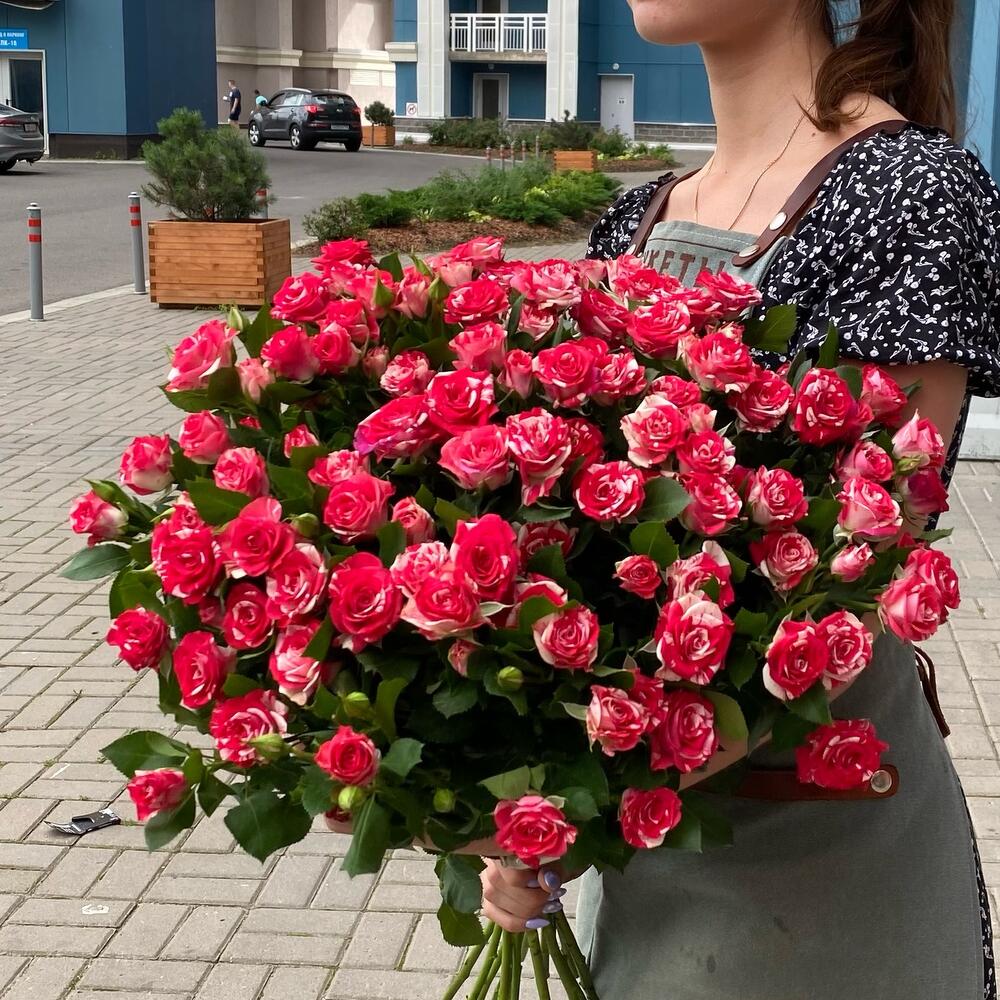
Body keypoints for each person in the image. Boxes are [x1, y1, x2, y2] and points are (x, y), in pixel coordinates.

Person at [480, 1, 1000, 998]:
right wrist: (507, 791)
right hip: (649, 861)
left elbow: (864, 576)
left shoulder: (909, 191)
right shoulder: (638, 217)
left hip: (819, 865)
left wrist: (576, 805)